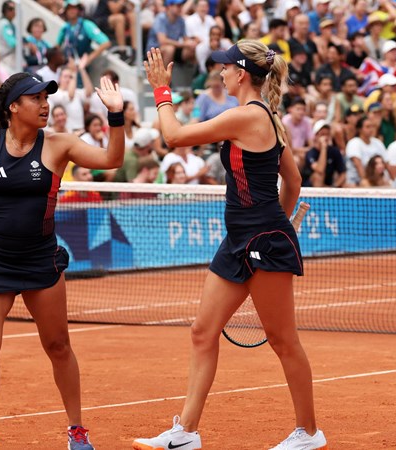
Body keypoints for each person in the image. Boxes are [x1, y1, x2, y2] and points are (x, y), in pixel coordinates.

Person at [133, 42, 327, 450]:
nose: (219, 73)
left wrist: (161, 90)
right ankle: (186, 432)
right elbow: (292, 182)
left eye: (224, 67)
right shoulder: (269, 119)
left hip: (263, 242)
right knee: (203, 332)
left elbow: (173, 136)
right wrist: (284, 221)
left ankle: (309, 433)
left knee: (283, 340)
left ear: (241, 75)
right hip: (239, 240)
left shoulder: (247, 117)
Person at [0, 73, 125, 450]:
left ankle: (77, 430)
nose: (44, 105)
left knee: (57, 345)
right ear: (13, 108)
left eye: (46, 97)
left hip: (41, 260)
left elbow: (112, 159)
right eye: (35, 98)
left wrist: (116, 116)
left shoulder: (59, 145)